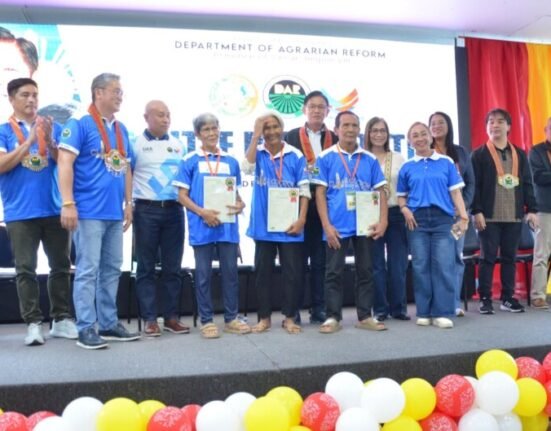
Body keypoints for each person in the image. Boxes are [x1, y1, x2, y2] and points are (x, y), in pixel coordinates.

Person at [57, 73, 140, 349]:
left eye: (121, 91)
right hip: (88, 212)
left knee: (112, 269)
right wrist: (68, 203)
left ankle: (108, 323)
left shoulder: (121, 129)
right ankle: (85, 328)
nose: (120, 96)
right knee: (88, 270)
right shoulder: (79, 123)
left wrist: (129, 203)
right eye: (116, 91)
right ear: (98, 92)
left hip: (114, 213)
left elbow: (126, 167)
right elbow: (65, 162)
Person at [0, 77, 77, 345]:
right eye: (25, 95)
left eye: (35, 94)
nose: (32, 100)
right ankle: (33, 323)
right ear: (11, 99)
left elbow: (63, 163)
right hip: (20, 211)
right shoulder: (4, 131)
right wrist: (29, 140)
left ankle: (61, 319)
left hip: (54, 207)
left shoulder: (51, 127)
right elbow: (2, 165)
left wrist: (51, 142)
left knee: (61, 265)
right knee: (25, 269)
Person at [175, 113, 251, 338]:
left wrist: (240, 204)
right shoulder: (189, 160)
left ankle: (231, 318)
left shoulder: (231, 161)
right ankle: (206, 321)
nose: (211, 133)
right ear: (197, 134)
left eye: (214, 128)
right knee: (203, 275)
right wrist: (202, 212)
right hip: (202, 226)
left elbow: (235, 194)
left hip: (227, 228)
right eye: (206, 129)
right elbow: (181, 196)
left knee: (230, 274)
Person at [312, 111, 388, 333]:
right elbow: (319, 193)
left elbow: (381, 191)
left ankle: (365, 316)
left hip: (366, 225)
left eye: (354, 125)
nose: (350, 129)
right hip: (336, 225)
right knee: (333, 272)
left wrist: (383, 221)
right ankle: (332, 317)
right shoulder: (325, 158)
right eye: (345, 125)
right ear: (336, 130)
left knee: (366, 271)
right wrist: (326, 225)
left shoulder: (370, 159)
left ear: (359, 129)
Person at [242, 112, 309, 334]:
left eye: (275, 127)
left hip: (290, 225)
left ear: (282, 128)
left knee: (292, 274)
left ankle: (289, 317)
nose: (271, 132)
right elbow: (246, 168)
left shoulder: (295, 155)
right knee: (263, 274)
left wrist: (301, 219)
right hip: (263, 226)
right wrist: (255, 137)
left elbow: (304, 190)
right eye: (266, 128)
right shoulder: (258, 153)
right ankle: (264, 318)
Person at [397, 122, 468, 329]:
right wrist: (404, 209)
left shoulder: (446, 161)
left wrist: (464, 217)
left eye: (423, 134)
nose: (419, 138)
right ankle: (424, 312)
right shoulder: (407, 167)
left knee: (444, 266)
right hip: (416, 220)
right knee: (420, 266)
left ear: (430, 136)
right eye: (414, 136)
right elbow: (401, 196)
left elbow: (456, 192)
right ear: (409, 141)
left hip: (443, 220)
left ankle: (442, 312)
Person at [471, 108, 538, 315]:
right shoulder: (479, 155)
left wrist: (532, 209)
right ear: (486, 127)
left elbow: (527, 184)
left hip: (513, 215)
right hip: (488, 216)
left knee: (510, 258)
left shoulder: (519, 154)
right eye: (491, 121)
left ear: (508, 126)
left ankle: (508, 297)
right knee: (487, 258)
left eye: (500, 121)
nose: (495, 125)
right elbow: (474, 186)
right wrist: (476, 210)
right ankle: (485, 298)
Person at [131, 100, 189, 337]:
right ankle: (150, 319)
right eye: (160, 115)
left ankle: (171, 318)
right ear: (146, 117)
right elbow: (126, 175)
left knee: (172, 268)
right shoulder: (135, 143)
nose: (166, 119)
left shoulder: (178, 145)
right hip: (146, 210)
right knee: (145, 267)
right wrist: (127, 205)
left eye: (168, 115)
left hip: (174, 210)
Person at [285, 90, 337, 324]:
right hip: (298, 207)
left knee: (321, 262)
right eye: (312, 106)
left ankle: (319, 308)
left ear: (327, 111)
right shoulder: (290, 137)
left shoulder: (335, 138)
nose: (317, 110)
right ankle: (293, 309)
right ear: (304, 110)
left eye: (321, 107)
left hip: (326, 207)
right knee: (295, 263)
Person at [429, 111, 475, 317]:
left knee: (456, 257)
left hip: (458, 216)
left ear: (448, 126)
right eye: (433, 123)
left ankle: (454, 302)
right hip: (436, 215)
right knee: (437, 259)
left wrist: (463, 206)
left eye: (441, 122)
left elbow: (471, 183)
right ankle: (437, 302)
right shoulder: (427, 152)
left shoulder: (461, 152)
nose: (437, 126)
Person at [364, 117, 409, 322]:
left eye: (382, 130)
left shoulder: (399, 158)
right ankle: (380, 309)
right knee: (376, 266)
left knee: (397, 264)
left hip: (395, 213)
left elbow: (406, 187)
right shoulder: (362, 158)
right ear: (368, 133)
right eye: (374, 130)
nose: (379, 134)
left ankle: (398, 308)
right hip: (370, 214)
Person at [528, 117, 551, 309]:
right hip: (544, 208)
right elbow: (538, 177)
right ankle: (537, 295)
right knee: (542, 254)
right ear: (546, 130)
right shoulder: (536, 151)